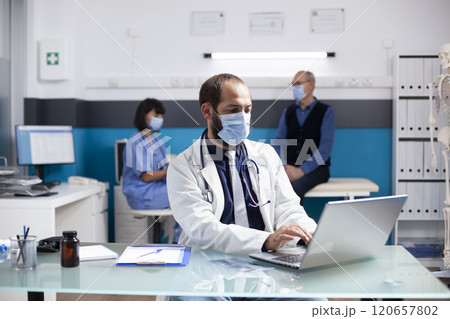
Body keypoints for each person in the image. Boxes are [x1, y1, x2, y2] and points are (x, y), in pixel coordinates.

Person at [167, 74, 323, 301]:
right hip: (208, 273)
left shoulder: (266, 155)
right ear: (207, 111)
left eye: (247, 110)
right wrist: (265, 240)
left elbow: (288, 208)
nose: (243, 118)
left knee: (315, 301)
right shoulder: (184, 167)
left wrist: (309, 233)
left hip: (267, 270)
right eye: (233, 110)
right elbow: (203, 230)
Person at [275, 70, 336, 204]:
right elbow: (279, 143)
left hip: (317, 169)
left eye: (298, 84)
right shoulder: (288, 112)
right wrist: (284, 167)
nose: (294, 88)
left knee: (294, 189)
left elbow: (324, 150)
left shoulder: (326, 112)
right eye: (293, 84)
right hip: (289, 167)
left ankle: (295, 224)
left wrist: (302, 171)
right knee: (271, 188)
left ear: (311, 85)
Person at [122, 98, 170, 210]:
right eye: (156, 115)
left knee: (190, 192)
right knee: (186, 196)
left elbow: (164, 169)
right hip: (142, 194)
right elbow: (146, 176)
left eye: (161, 116)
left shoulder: (158, 142)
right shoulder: (135, 142)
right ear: (144, 115)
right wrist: (169, 172)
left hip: (157, 189)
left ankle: (180, 228)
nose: (160, 119)